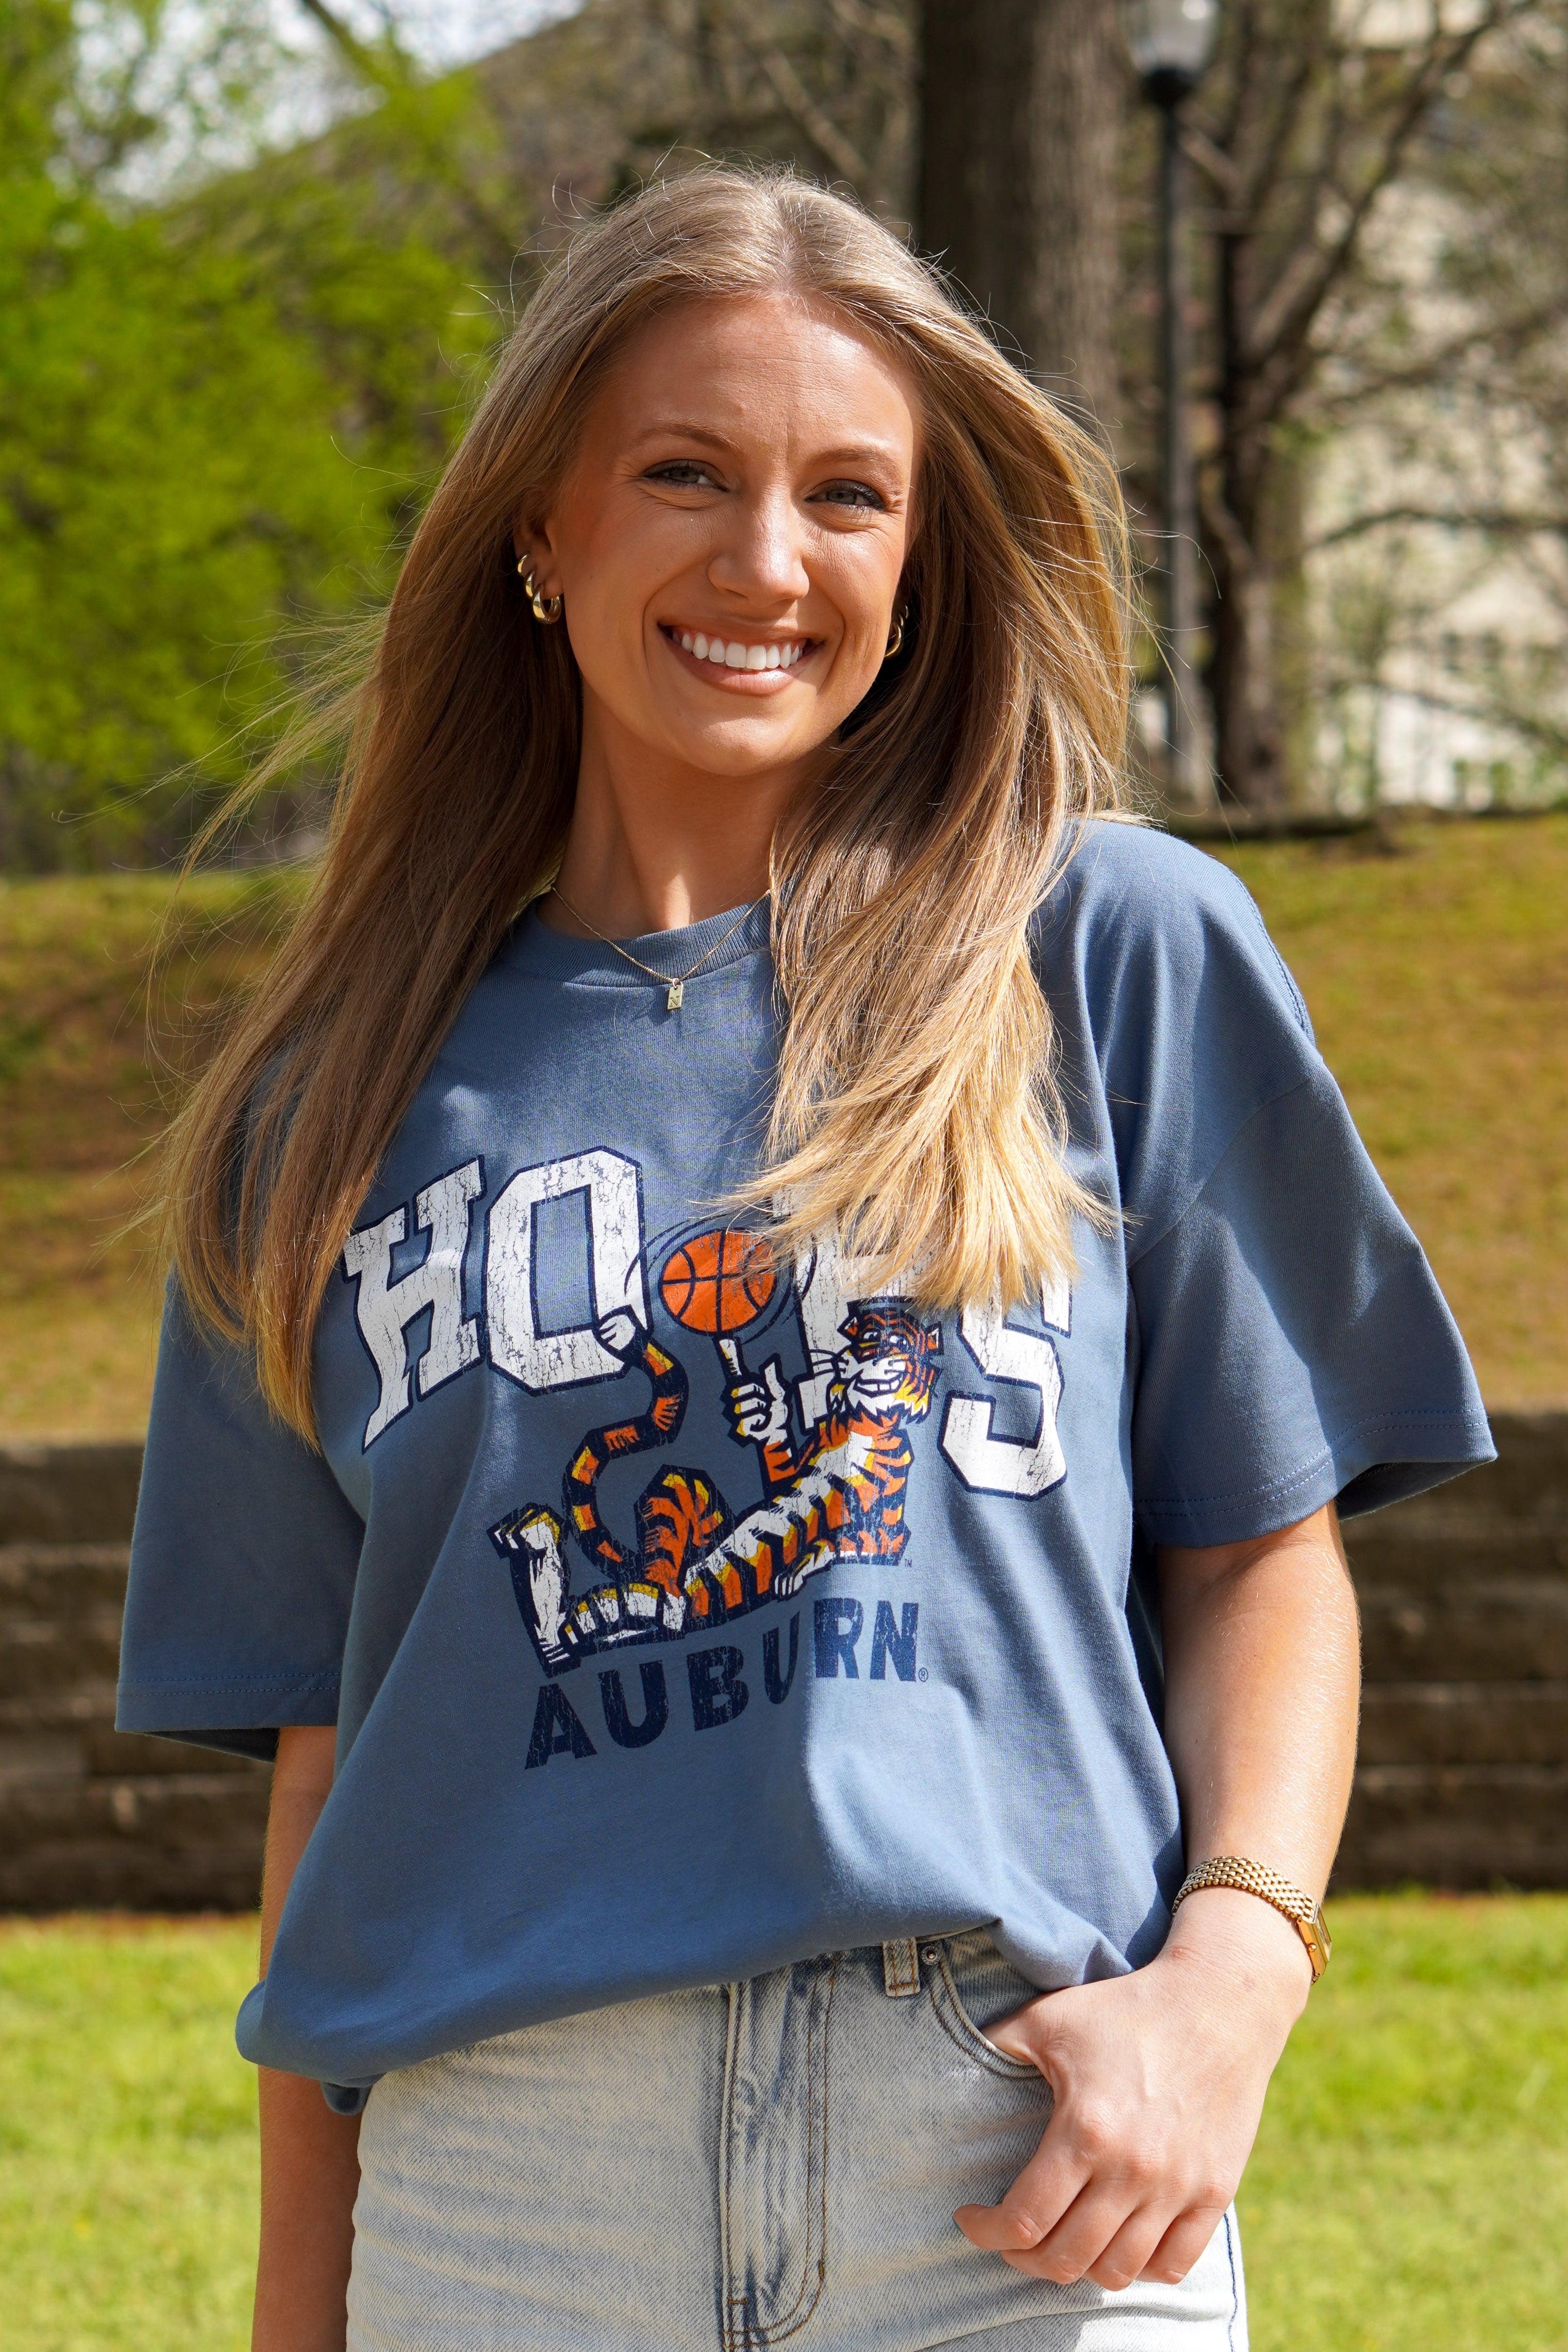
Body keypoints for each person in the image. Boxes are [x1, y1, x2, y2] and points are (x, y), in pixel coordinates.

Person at [117, 168, 1491, 2352]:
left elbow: (1261, 1546)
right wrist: (304, 2320)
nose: (767, 560)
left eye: (847, 495)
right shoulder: (323, 1107)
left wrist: (1228, 1984)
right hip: (506, 2205)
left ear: (916, 564)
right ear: (540, 530)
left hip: (1017, 2184)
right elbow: (331, 1786)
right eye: (686, 473)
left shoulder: (1107, 949)